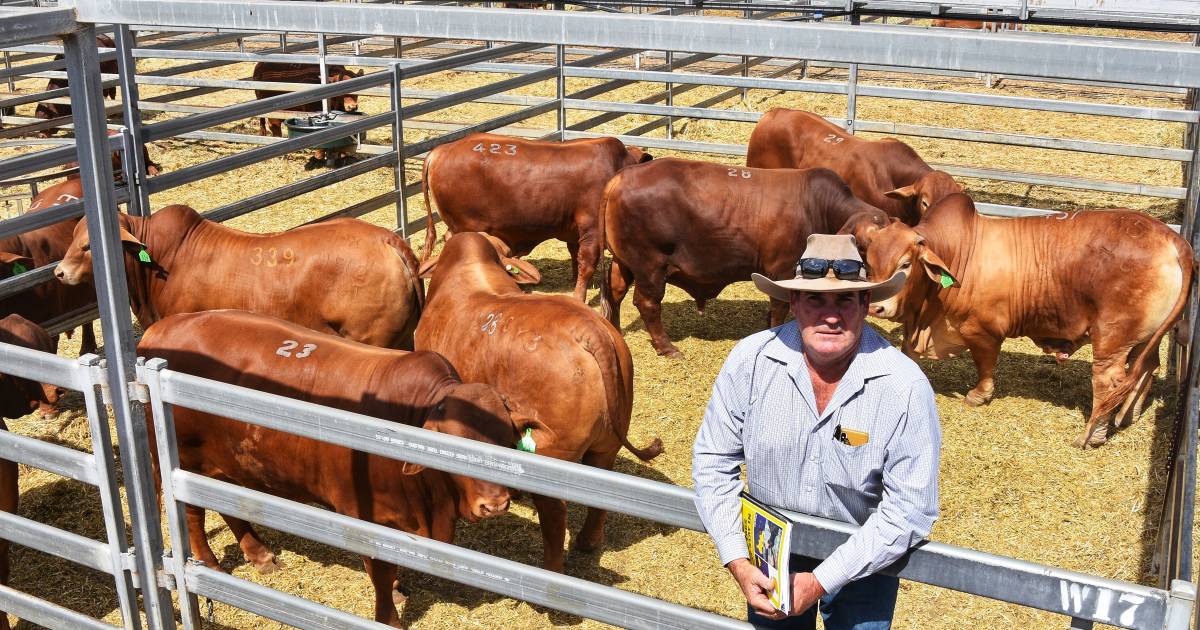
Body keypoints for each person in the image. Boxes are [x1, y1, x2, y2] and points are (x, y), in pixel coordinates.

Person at [692, 233, 941, 629]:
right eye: (815, 299)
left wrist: (821, 580)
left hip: (865, 554)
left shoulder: (903, 386)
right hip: (771, 554)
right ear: (793, 302)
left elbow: (910, 509)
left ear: (865, 305)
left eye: (844, 300)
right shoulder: (751, 361)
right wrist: (738, 559)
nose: (830, 315)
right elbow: (712, 463)